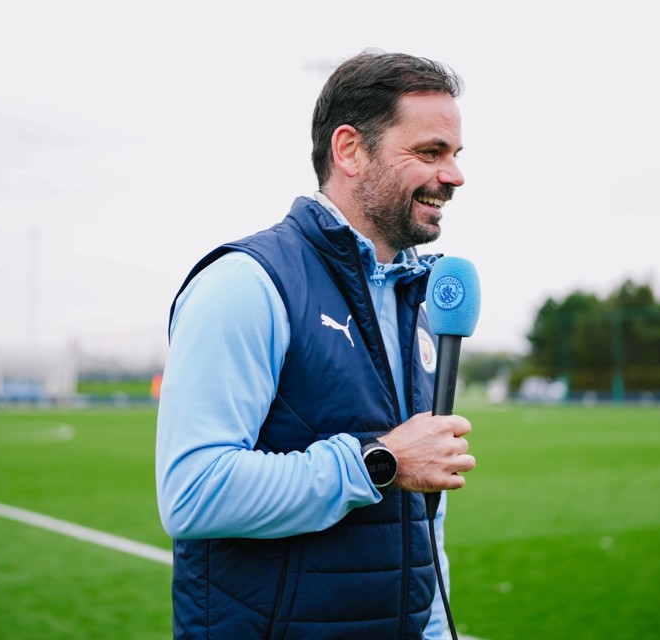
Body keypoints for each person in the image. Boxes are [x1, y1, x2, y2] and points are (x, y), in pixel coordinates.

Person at [156, 50, 474, 640]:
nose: (453, 175)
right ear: (350, 150)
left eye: (455, 155)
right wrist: (379, 462)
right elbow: (193, 493)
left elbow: (423, 523)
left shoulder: (421, 304)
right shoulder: (247, 283)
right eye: (430, 152)